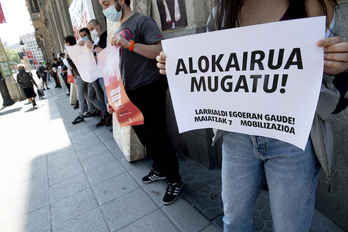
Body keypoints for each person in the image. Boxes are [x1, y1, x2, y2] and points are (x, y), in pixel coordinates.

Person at [157, 0, 348, 231]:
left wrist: (334, 66)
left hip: (292, 139)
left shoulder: (313, 5)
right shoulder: (221, 13)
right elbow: (211, 73)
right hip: (237, 136)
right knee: (233, 222)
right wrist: (177, 65)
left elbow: (326, 89)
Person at [100, 0, 182, 205]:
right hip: (130, 92)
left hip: (150, 86)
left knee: (159, 136)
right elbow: (116, 68)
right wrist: (113, 98)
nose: (105, 9)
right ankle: (160, 169)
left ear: (120, 1)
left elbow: (160, 51)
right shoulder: (118, 29)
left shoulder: (142, 22)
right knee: (145, 137)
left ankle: (175, 180)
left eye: (107, 3)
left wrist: (130, 44)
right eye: (102, 5)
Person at [78, 27, 111, 127]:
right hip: (91, 75)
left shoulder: (96, 42)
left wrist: (92, 47)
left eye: (85, 35)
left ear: (89, 34)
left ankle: (106, 116)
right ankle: (104, 113)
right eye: (81, 36)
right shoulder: (84, 46)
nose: (84, 37)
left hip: (100, 74)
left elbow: (102, 54)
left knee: (103, 97)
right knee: (90, 97)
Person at [64, 35, 89, 125]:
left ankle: (81, 114)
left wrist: (67, 59)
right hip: (83, 74)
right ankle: (90, 110)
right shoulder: (77, 49)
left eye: (65, 42)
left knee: (81, 96)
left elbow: (75, 65)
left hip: (79, 75)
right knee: (86, 95)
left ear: (68, 42)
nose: (65, 45)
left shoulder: (73, 51)